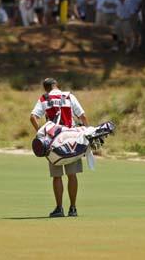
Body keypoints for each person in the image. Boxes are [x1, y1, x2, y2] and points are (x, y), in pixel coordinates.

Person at [30, 78, 89, 217]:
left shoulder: (44, 98)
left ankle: (59, 208)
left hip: (53, 141)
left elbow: (33, 117)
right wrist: (86, 133)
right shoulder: (68, 96)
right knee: (72, 175)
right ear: (57, 86)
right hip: (72, 139)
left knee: (57, 177)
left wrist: (41, 133)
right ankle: (73, 209)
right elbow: (83, 116)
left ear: (46, 88)